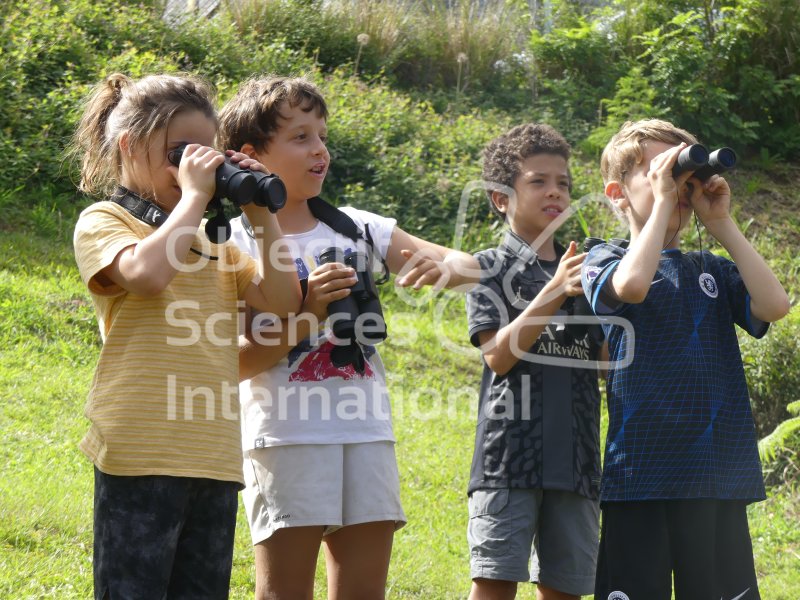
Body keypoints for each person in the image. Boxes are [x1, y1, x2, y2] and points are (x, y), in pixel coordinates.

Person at [216, 75, 480, 599]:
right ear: (251, 156)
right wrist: (310, 312)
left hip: (366, 432)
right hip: (286, 437)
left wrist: (439, 268)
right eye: (300, 137)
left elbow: (467, 267)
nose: (320, 150)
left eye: (322, 136)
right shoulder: (233, 241)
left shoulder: (357, 227)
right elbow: (233, 365)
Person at [70, 72, 302, 599]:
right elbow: (147, 277)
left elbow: (285, 301)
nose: (194, 166)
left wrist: (260, 215)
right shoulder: (106, 221)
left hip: (213, 456)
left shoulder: (210, 243)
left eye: (205, 154)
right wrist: (195, 196)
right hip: (140, 450)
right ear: (128, 145)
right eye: (179, 153)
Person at [582, 118, 791, 600]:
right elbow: (631, 287)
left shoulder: (712, 268)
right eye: (660, 173)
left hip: (715, 473)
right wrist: (660, 203)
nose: (677, 189)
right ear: (617, 194)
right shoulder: (603, 258)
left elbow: (775, 306)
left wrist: (721, 224)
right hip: (639, 474)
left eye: (685, 178)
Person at [464, 123, 606, 600]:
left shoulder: (590, 273)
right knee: (494, 585)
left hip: (579, 460)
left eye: (563, 183)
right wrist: (553, 289)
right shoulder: (488, 267)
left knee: (566, 590)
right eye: (538, 181)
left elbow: (605, 365)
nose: (555, 192)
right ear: (500, 198)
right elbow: (498, 356)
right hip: (508, 461)